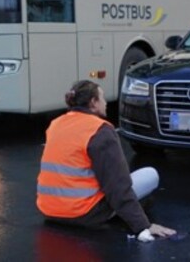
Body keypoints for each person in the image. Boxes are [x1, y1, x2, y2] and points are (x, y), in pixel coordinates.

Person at [37, 80, 176, 242]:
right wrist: (143, 226)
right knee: (150, 175)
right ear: (93, 103)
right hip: (85, 215)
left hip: (50, 211)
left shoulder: (55, 124)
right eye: (102, 98)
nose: (105, 103)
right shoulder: (100, 130)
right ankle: (122, 213)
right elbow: (118, 185)